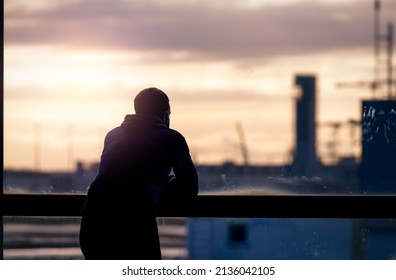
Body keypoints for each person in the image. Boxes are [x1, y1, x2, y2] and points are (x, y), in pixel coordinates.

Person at [79, 87, 198, 260]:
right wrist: (159, 186)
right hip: (135, 224)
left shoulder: (112, 135)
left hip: (93, 222)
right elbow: (190, 188)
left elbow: (115, 177)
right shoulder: (171, 138)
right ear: (166, 114)